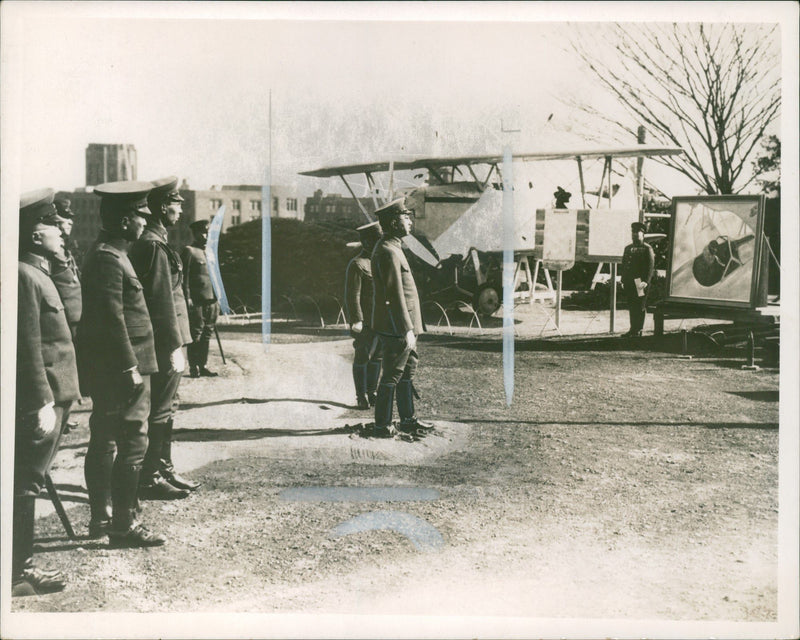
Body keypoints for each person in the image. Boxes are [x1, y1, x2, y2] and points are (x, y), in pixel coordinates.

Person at [75, 180, 166, 547]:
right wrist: (130, 366)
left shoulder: (110, 254)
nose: (145, 222)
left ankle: (103, 520)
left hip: (118, 366)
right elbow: (112, 319)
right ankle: (122, 525)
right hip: (123, 368)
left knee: (105, 438)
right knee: (131, 442)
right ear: (125, 220)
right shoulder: (109, 259)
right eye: (141, 216)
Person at [13, 189, 81, 596]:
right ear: (35, 235)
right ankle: (18, 573)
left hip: (57, 394)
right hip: (44, 397)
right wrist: (40, 399)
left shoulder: (40, 272)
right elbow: (27, 344)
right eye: (54, 225)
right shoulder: (24, 274)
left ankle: (19, 567)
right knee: (26, 481)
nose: (61, 232)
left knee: (29, 480)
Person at [129, 176, 198, 499]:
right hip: (164, 341)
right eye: (175, 202)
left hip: (173, 338)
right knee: (160, 408)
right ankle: (149, 477)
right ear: (159, 206)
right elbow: (160, 302)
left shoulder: (159, 240)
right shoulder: (153, 245)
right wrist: (173, 345)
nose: (180, 208)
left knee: (168, 406)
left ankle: (163, 467)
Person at [370, 198, 433, 437]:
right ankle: (382, 425)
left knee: (407, 372)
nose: (409, 221)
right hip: (397, 326)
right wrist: (406, 329)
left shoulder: (393, 248)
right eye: (405, 217)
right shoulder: (388, 251)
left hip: (404, 324)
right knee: (393, 374)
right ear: (394, 222)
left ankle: (408, 420)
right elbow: (394, 294)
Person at [46, 197, 83, 435]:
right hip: (58, 320)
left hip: (72, 320)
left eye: (68, 221)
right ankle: (60, 415)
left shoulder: (68, 246)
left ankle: (65, 414)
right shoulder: (49, 252)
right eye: (62, 221)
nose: (66, 225)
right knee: (58, 372)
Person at [344, 221, 383, 409]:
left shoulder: (381, 261)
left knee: (378, 356)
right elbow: (353, 295)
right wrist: (357, 319)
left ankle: (372, 391)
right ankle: (361, 395)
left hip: (381, 319)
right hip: (365, 320)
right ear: (367, 242)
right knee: (363, 356)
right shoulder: (358, 264)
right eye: (376, 240)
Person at [181, 220, 220, 378]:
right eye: (203, 233)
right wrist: (187, 297)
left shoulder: (211, 252)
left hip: (212, 300)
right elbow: (184, 277)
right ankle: (193, 367)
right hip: (196, 301)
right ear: (195, 234)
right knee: (196, 334)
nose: (206, 236)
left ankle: (203, 365)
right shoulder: (189, 251)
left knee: (207, 334)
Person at [620, 221, 655, 337]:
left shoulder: (647, 249)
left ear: (643, 234)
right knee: (631, 305)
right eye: (633, 232)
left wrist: (646, 281)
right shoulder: (628, 248)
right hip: (630, 282)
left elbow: (650, 267)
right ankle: (633, 329)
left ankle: (638, 329)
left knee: (639, 305)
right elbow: (624, 265)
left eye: (637, 232)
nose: (635, 234)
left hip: (640, 282)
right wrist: (623, 279)